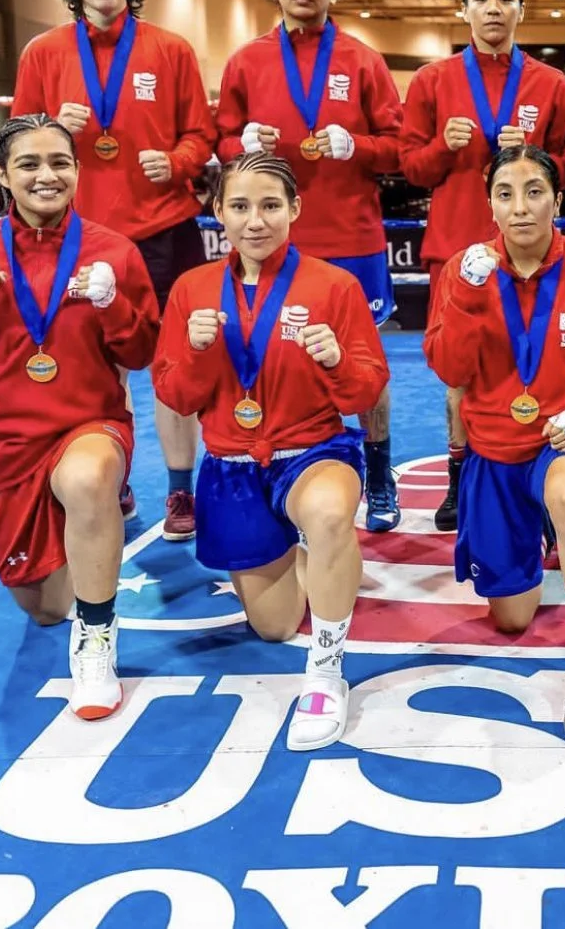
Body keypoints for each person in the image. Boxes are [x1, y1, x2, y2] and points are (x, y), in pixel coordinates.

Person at [0, 114, 160, 720]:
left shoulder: (113, 251)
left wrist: (113, 304)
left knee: (88, 479)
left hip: (88, 424)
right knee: (47, 606)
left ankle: (97, 642)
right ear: (1, 174)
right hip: (1, 440)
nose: (47, 176)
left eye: (60, 162)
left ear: (77, 170)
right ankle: (91, 540)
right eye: (29, 164)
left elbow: (142, 353)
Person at [152, 152, 388, 751]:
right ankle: (323, 563)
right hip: (232, 466)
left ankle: (328, 672)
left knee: (333, 515)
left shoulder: (334, 286)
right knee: (277, 625)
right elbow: (175, 394)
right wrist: (199, 350)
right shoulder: (192, 289)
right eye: (239, 206)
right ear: (218, 213)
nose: (255, 220)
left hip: (313, 449)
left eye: (270, 206)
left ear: (294, 210)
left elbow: (367, 387)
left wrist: (336, 359)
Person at [13, 0, 218, 543]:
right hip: (78, 238)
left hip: (162, 229)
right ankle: (113, 475)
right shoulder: (44, 53)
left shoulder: (170, 48)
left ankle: (181, 489)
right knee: (96, 366)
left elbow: (201, 136)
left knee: (172, 360)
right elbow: (18, 145)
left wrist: (178, 162)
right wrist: (52, 129)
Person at [423, 146, 565, 742]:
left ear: (558, 201)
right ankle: (536, 533)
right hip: (492, 448)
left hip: (563, 443)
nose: (520, 207)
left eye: (534, 191)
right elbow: (447, 368)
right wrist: (464, 297)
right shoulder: (463, 271)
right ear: (489, 202)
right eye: (506, 193)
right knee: (512, 616)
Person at [216, 0, 405, 532]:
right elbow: (218, 144)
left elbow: (400, 149)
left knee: (365, 364)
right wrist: (243, 142)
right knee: (268, 353)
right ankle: (274, 465)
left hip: (351, 234)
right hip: (267, 237)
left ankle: (377, 471)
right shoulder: (246, 61)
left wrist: (361, 146)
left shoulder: (363, 59)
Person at [400, 0, 565, 533]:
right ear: (465, 9)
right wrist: (441, 148)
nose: (493, 8)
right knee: (460, 374)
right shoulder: (431, 80)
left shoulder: (551, 85)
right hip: (457, 243)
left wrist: (538, 154)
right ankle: (460, 476)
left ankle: (537, 471)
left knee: (537, 364)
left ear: (521, 11)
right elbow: (410, 168)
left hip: (533, 249)